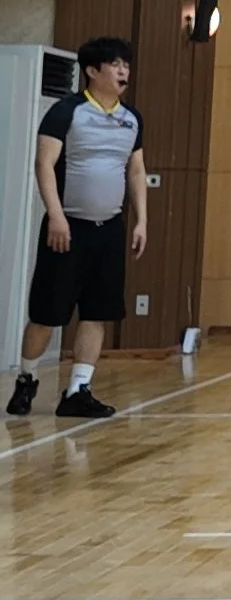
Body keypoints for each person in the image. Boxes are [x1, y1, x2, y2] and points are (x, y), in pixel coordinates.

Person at [6, 37, 147, 421]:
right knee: (47, 313)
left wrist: (141, 222)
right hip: (67, 227)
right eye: (115, 65)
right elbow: (44, 165)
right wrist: (56, 215)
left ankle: (78, 390)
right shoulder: (65, 112)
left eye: (126, 66)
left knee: (95, 312)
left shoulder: (132, 118)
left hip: (109, 230)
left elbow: (135, 171)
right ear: (92, 71)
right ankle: (26, 379)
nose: (123, 72)